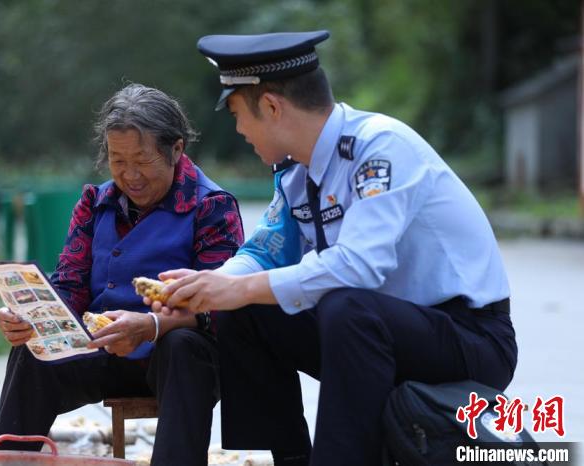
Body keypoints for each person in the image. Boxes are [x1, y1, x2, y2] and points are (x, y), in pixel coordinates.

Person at [147, 31, 518, 465]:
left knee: (344, 306)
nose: (239, 129)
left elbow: (361, 267)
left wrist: (242, 288)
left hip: (467, 336)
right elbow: (266, 251)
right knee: (245, 308)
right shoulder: (296, 172)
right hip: (376, 333)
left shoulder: (379, 149)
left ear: (271, 107)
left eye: (237, 114)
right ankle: (291, 458)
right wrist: (210, 285)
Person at [0, 83, 245, 466]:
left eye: (142, 161)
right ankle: (7, 460)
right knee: (32, 348)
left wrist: (150, 325)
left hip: (174, 360)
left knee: (184, 349)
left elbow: (222, 307)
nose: (130, 175)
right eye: (117, 160)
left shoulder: (211, 207)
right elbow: (71, 283)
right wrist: (31, 316)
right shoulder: (97, 203)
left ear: (176, 149)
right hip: (104, 351)